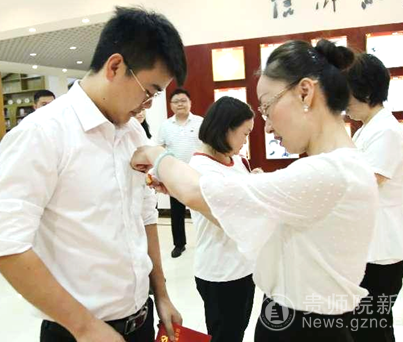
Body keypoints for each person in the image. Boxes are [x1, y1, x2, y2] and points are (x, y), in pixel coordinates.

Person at [131, 40, 380, 342]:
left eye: (267, 107)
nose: (268, 127)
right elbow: (227, 204)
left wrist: (156, 154)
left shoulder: (329, 172)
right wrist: (177, 184)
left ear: (305, 92)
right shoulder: (342, 165)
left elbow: (201, 191)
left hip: (301, 329)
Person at [0, 6, 187, 342]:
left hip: (141, 320)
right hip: (78, 332)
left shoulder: (133, 132)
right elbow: (3, 242)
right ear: (115, 67)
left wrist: (160, 293)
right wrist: (85, 328)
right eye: (149, 91)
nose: (147, 105)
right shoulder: (43, 132)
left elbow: (145, 215)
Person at [345, 53, 403, 342]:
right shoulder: (367, 129)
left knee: (372, 328)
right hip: (367, 244)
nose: (343, 102)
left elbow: (366, 183)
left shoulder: (386, 130)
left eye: (346, 93)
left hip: (381, 248)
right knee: (366, 326)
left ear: (365, 92)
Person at [190, 96, 256, 342]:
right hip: (220, 271)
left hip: (244, 266)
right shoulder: (201, 168)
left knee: (237, 330)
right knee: (225, 335)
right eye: (244, 133)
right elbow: (232, 218)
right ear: (226, 129)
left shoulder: (236, 160)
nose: (245, 141)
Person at [157, 88, 203, 258]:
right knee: (176, 212)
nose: (180, 104)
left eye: (183, 100)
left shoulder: (200, 122)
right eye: (176, 102)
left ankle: (205, 243)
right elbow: (161, 148)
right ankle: (179, 244)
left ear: (190, 103)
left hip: (197, 173)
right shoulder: (165, 126)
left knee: (202, 210)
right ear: (171, 105)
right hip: (175, 175)